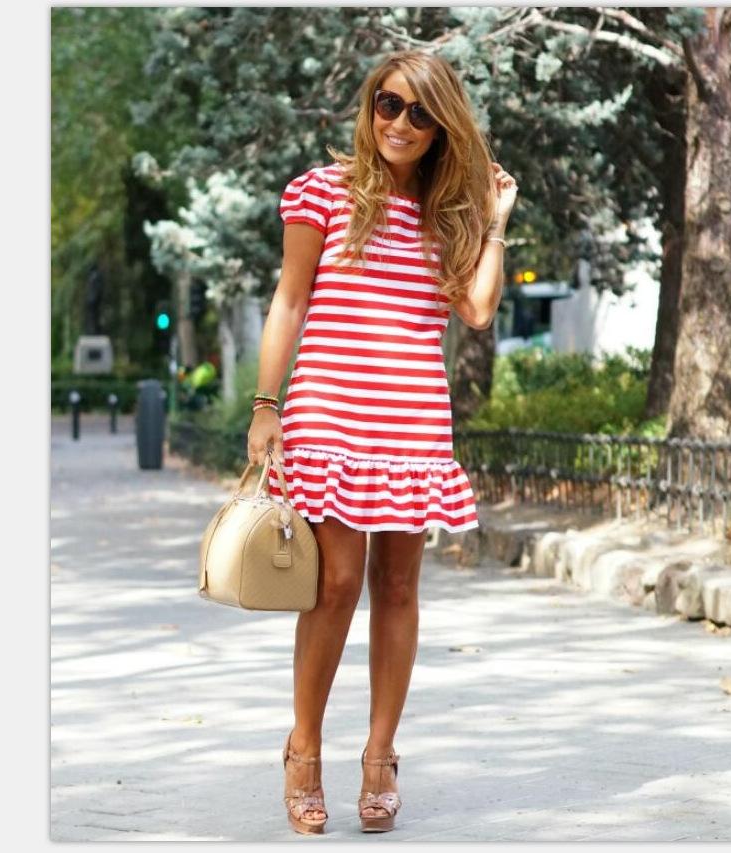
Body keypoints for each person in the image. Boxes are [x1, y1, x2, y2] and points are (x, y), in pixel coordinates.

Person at [247, 49, 518, 835]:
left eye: (420, 113)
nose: (400, 122)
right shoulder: (322, 190)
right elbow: (290, 301)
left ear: (442, 128)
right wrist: (266, 405)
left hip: (412, 421)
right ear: (371, 107)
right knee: (335, 584)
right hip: (330, 413)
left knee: (397, 588)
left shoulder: (449, 212)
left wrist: (494, 221)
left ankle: (380, 756)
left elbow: (476, 310)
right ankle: (303, 749)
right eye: (389, 104)